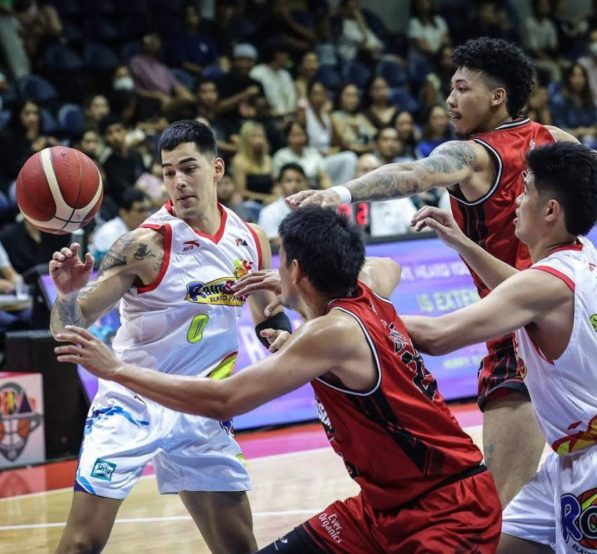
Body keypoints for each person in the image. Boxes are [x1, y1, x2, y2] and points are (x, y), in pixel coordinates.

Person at [287, 38, 597, 541]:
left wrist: (342, 194)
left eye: (462, 89)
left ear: (497, 96)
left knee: (488, 509)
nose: (450, 100)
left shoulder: (473, 154)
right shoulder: (553, 139)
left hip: (518, 328)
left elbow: (412, 173)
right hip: (571, 316)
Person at [54, 206, 502, 553]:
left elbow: (225, 399)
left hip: (447, 509)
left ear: (298, 271)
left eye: (282, 260)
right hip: (381, 508)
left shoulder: (328, 332)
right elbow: (386, 265)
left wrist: (114, 369)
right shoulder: (366, 288)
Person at [404, 142, 597, 553]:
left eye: (525, 192)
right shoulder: (580, 251)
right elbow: (521, 290)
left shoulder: (545, 283)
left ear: (550, 211)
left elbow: (439, 335)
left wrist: (352, 313)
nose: (515, 202)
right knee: (491, 545)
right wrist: (463, 244)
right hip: (577, 455)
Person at [47, 120, 292, 554]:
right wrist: (67, 294)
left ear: (216, 169)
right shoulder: (144, 245)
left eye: (188, 168)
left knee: (239, 547)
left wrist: (278, 336)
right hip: (131, 401)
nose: (178, 181)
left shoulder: (251, 238)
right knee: (81, 544)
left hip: (199, 404)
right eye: (168, 171)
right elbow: (67, 326)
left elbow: (266, 311)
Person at [89, 189, 153, 263]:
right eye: (140, 210)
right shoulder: (109, 233)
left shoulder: (146, 230)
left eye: (148, 210)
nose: (147, 215)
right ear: (123, 213)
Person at [258, 163, 310, 247]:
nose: (294, 185)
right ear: (280, 185)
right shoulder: (269, 212)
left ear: (306, 183)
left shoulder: (316, 209)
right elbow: (274, 242)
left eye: (299, 181)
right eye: (289, 181)